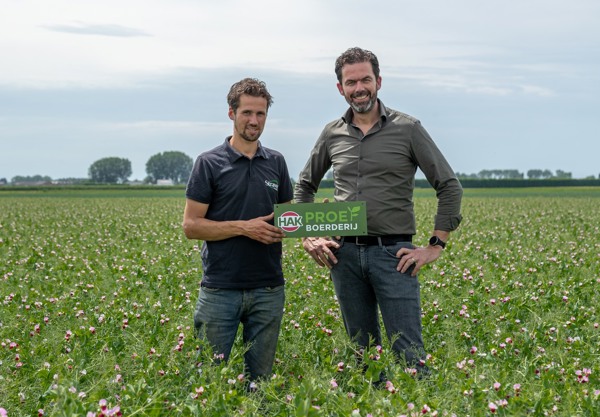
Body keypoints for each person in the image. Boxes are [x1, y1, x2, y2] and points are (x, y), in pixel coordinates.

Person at [294, 47, 463, 379]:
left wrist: (435, 246)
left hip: (393, 254)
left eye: (365, 80)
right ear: (340, 88)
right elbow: (304, 185)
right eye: (351, 82)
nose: (359, 88)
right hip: (344, 255)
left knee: (410, 355)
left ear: (378, 82)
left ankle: (418, 401)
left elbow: (449, 186)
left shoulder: (408, 128)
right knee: (362, 357)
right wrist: (309, 235)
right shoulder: (332, 133)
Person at [183, 78, 293, 385]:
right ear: (231, 113)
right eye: (247, 112)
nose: (254, 120)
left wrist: (320, 224)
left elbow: (289, 217)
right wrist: (245, 228)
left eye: (260, 113)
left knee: (262, 383)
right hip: (220, 289)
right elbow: (191, 226)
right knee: (208, 382)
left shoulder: (276, 162)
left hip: (268, 289)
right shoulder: (209, 163)